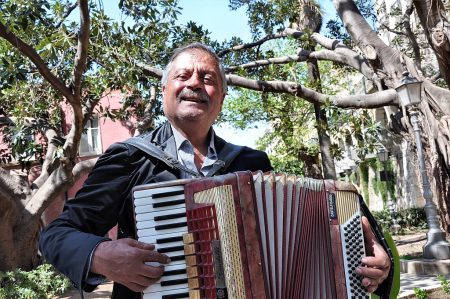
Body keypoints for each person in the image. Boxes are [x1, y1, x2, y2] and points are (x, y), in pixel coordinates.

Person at [39, 42, 392, 298]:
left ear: (220, 97)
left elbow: (319, 233)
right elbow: (55, 234)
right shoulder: (130, 158)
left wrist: (381, 264)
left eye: (207, 78)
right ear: (164, 92)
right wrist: (99, 255)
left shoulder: (251, 163)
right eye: (183, 75)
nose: (195, 83)